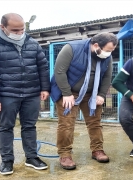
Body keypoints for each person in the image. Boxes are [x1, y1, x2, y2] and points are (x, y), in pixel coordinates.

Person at [0, 13, 50, 175]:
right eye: (15, 30)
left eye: (21, 29)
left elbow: (42, 68)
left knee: (30, 126)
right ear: (2, 27)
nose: (19, 33)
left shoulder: (32, 43)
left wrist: (45, 88)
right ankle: (7, 161)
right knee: (5, 127)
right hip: (6, 94)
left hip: (31, 93)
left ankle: (31, 157)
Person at [50, 32, 118, 170]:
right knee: (66, 124)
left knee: (95, 123)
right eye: (108, 50)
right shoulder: (71, 48)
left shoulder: (107, 57)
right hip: (69, 92)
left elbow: (107, 77)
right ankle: (65, 154)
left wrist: (101, 95)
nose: (109, 54)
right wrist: (66, 93)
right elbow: (59, 71)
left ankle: (97, 150)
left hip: (91, 93)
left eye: (112, 51)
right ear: (96, 45)